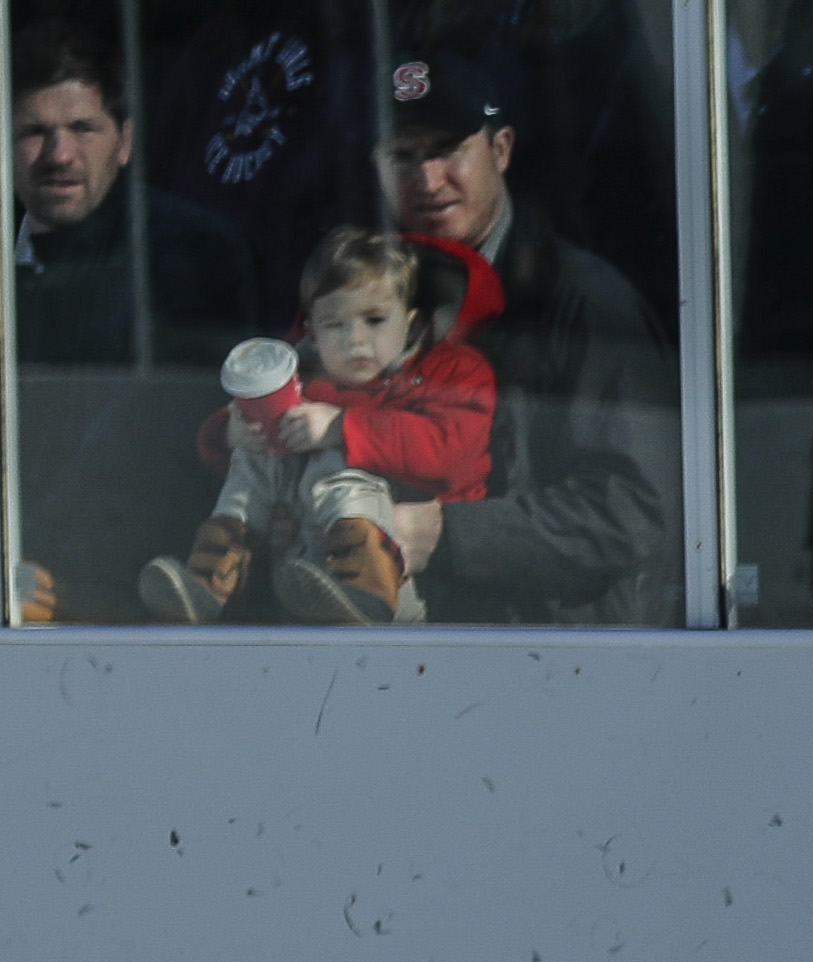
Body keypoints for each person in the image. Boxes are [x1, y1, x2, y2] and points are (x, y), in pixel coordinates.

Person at [372, 49, 678, 625]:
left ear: (502, 149)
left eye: (447, 150)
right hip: (408, 654)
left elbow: (634, 512)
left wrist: (445, 533)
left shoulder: (585, 299)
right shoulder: (365, 302)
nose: (427, 179)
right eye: (403, 156)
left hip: (565, 665)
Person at [10, 21, 263, 624]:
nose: (59, 155)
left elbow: (196, 448)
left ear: (123, 141)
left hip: (153, 607)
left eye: (82, 128)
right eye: (33, 132)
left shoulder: (191, 252)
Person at [140, 227, 500, 627]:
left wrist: (341, 428)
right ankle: (214, 579)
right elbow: (247, 445)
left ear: (410, 322)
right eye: (336, 326)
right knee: (256, 454)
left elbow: (449, 454)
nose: (356, 341)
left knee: (342, 461)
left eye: (375, 320)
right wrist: (230, 434)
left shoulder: (451, 371)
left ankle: (367, 586)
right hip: (304, 558)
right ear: (312, 332)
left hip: (409, 579)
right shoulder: (303, 378)